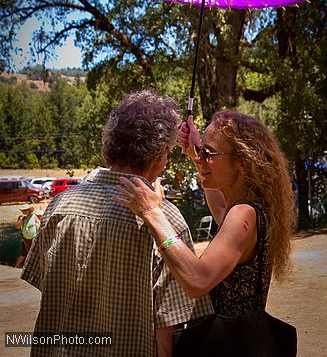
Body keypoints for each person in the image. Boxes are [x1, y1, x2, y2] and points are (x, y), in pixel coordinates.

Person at [21, 90, 213, 357]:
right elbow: (165, 330)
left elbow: (49, 286)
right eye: (168, 151)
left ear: (109, 146)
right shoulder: (165, 222)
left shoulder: (59, 205)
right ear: (160, 154)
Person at [114, 110, 294, 320]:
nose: (200, 160)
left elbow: (198, 280)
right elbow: (218, 209)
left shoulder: (243, 214)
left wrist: (153, 212)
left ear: (242, 162)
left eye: (208, 154)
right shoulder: (245, 210)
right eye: (200, 152)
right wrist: (194, 149)